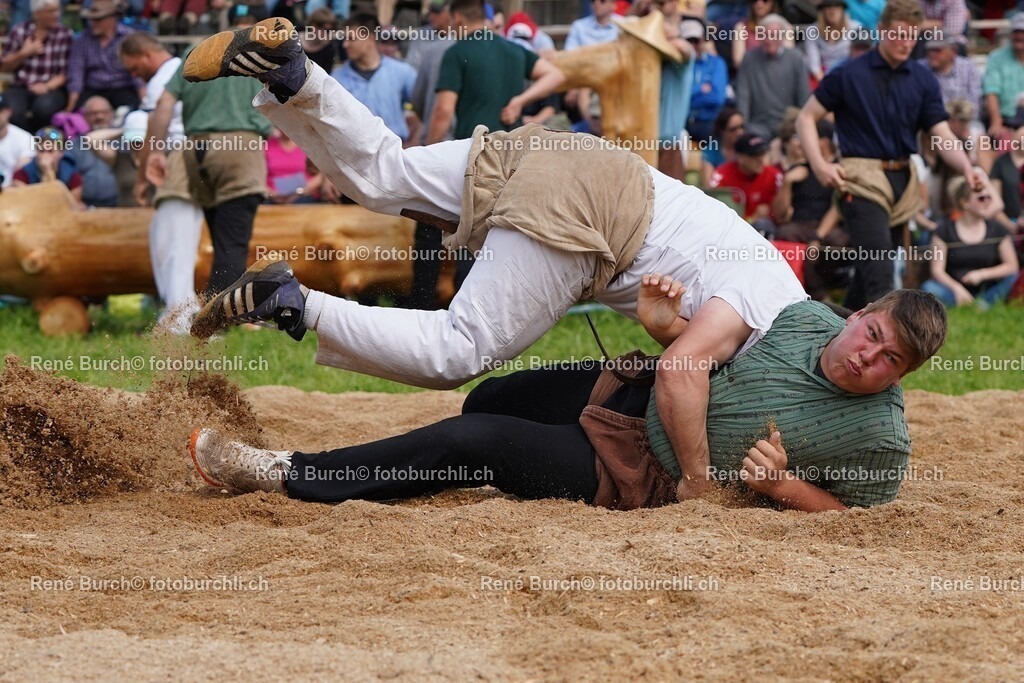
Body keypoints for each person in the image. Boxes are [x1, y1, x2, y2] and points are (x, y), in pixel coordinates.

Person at [181, 17, 817, 504]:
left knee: (383, 176)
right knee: (458, 349)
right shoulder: (777, 315)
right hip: (591, 212)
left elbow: (682, 335)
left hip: (573, 157)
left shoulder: (768, 287)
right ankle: (295, 303)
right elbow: (682, 369)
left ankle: (293, 71)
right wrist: (703, 484)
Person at [188, 282, 948, 513]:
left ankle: (285, 471)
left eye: (890, 359)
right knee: (488, 395)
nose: (868, 355)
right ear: (857, 314)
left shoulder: (882, 438)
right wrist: (664, 328)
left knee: (472, 443)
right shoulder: (805, 316)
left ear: (902, 375)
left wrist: (782, 485)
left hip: (641, 470)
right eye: (873, 331)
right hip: (635, 391)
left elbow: (858, 521)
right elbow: (713, 360)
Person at [796, 0, 979, 311]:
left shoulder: (923, 79)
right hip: (861, 180)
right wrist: (820, 164)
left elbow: (942, 133)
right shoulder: (849, 73)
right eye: (898, 34)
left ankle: (836, 330)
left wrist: (968, 168)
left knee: (869, 277)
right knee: (881, 273)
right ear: (880, 31)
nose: (906, 42)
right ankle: (893, 351)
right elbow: (805, 118)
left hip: (902, 182)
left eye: (912, 35)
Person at [139, 27, 270, 298]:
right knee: (232, 243)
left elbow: (164, 104)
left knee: (215, 237)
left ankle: (202, 307)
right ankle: (217, 318)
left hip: (195, 149)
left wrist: (154, 152)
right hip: (240, 148)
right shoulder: (255, 56)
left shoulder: (193, 55)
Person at [120, 30, 205, 333]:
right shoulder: (179, 69)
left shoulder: (163, 79)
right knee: (164, 236)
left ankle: (182, 317)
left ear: (146, 54)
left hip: (181, 160)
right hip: (186, 159)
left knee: (176, 239)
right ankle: (178, 310)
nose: (135, 75)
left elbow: (152, 132)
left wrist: (141, 178)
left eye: (134, 67)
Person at [774, 118, 850, 301]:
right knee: (784, 233)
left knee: (833, 242)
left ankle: (822, 294)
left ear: (822, 142)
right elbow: (779, 215)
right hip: (801, 227)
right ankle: (785, 294)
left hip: (831, 228)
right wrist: (787, 182)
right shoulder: (799, 170)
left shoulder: (842, 168)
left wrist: (817, 236)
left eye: (806, 138)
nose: (801, 143)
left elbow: (838, 207)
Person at [922, 174, 1020, 307]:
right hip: (954, 291)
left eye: (988, 197)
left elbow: (1012, 266)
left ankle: (982, 304)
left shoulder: (997, 229)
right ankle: (974, 305)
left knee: (1014, 279)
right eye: (981, 198)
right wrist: (958, 289)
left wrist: (982, 274)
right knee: (929, 287)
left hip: (989, 289)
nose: (986, 201)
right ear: (965, 202)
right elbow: (937, 271)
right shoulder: (944, 230)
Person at [330, 13, 418, 144]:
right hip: (354, 156)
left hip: (396, 153)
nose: (345, 45)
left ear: (370, 39)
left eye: (351, 39)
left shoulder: (402, 72)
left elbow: (425, 110)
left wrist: (412, 145)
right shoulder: (337, 78)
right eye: (344, 39)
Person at [0, 0, 74, 132]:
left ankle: (42, 144)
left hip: (52, 87)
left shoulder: (65, 34)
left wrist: (47, 86)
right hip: (21, 87)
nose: (57, 14)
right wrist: (24, 53)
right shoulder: (19, 31)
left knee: (44, 108)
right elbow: (4, 68)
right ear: (37, 14)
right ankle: (24, 145)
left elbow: (67, 72)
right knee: (13, 110)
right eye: (51, 11)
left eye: (58, 10)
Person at [735, 13, 810, 139]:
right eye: (766, 36)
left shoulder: (795, 58)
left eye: (774, 36)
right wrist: (744, 127)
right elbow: (743, 96)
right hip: (758, 125)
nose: (769, 40)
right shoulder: (749, 59)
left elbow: (803, 96)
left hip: (788, 125)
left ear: (782, 37)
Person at [66, 0, 146, 114]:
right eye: (92, 19)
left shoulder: (128, 37)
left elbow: (137, 72)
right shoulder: (82, 40)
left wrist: (144, 100)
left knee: (130, 109)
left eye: (98, 19)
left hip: (122, 88)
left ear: (111, 18)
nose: (93, 23)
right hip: (93, 89)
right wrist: (71, 106)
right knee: (87, 110)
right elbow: (76, 73)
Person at [708, 132, 781, 230]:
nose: (760, 159)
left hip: (764, 231)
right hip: (729, 230)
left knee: (764, 224)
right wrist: (752, 218)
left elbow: (781, 216)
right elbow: (716, 215)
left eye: (762, 153)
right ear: (740, 157)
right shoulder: (721, 176)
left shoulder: (774, 176)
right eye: (754, 155)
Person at [12, 125, 84, 206]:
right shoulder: (21, 175)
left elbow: (72, 205)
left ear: (61, 152)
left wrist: (49, 172)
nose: (45, 155)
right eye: (41, 151)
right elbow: (29, 203)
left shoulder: (73, 176)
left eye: (50, 151)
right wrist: (46, 173)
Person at [684, 16, 728, 142]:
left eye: (695, 40)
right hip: (683, 121)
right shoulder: (678, 65)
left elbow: (717, 99)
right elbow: (680, 98)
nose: (692, 45)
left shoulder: (717, 63)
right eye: (688, 41)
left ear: (703, 40)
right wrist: (700, 89)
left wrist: (690, 94)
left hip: (708, 122)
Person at [983, 13, 1024, 141]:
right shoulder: (996, 58)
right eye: (1016, 32)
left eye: (1022, 32)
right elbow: (991, 91)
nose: (1019, 36)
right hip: (1006, 120)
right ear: (1010, 34)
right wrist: (996, 122)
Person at [920, 36, 982, 116]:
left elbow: (974, 103)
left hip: (964, 121)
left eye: (937, 50)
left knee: (976, 128)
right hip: (931, 122)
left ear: (953, 51)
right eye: (930, 50)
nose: (932, 54)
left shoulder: (969, 68)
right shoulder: (920, 68)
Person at [804, 0, 862, 83]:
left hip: (849, 74)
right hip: (823, 76)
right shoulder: (812, 31)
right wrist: (827, 85)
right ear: (822, 11)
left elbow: (859, 61)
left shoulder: (856, 28)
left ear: (842, 10)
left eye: (837, 7)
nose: (832, 11)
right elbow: (814, 65)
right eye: (828, 7)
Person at [701, 105, 743, 184]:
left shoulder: (749, 149)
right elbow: (708, 184)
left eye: (742, 127)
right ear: (721, 130)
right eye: (733, 129)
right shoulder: (711, 150)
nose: (740, 132)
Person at [0, 96, 35, 188]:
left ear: (9, 112)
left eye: (0, 111)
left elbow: (22, 172)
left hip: (14, 191)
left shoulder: (24, 138)